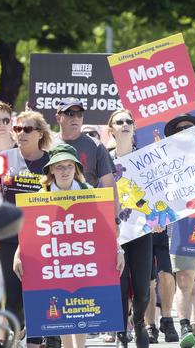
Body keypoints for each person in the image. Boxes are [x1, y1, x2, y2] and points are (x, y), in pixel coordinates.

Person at [13, 143, 125, 348]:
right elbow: (28, 234)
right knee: (62, 315)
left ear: (76, 168)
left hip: (82, 262)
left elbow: (105, 230)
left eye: (69, 166)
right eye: (59, 166)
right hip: (53, 262)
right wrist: (18, 254)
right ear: (51, 170)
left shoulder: (90, 192)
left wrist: (118, 250)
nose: (65, 171)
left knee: (80, 312)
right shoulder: (40, 196)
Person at [0, 111, 52, 347]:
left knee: (38, 299)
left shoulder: (51, 163)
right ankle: (12, 340)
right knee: (11, 301)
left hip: (40, 240)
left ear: (40, 134)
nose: (21, 133)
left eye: (27, 129)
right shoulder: (2, 159)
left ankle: (36, 342)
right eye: (18, 129)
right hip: (9, 239)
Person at [165, 114, 195, 348]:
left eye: (190, 128)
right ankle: (185, 326)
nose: (185, 131)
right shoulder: (165, 160)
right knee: (183, 279)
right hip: (181, 225)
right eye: (180, 129)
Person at [108, 109, 156, 348]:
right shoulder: (103, 158)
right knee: (120, 284)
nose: (125, 124)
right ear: (111, 130)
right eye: (119, 122)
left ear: (134, 128)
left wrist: (160, 218)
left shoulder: (146, 157)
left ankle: (138, 322)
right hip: (114, 233)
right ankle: (120, 330)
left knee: (142, 287)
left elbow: (160, 192)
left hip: (141, 230)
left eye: (129, 121)